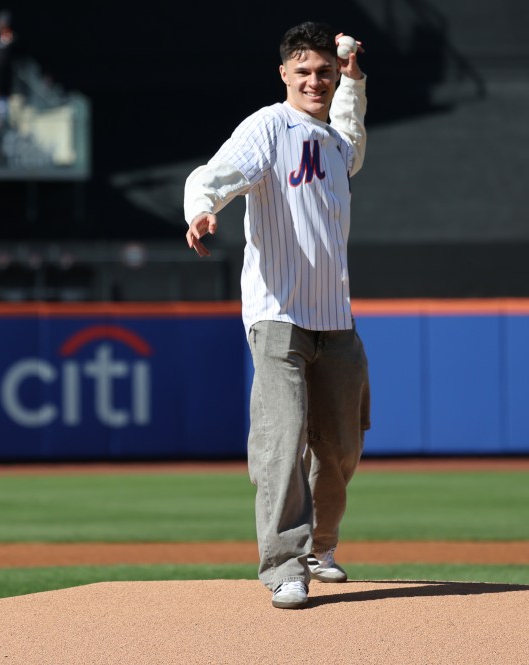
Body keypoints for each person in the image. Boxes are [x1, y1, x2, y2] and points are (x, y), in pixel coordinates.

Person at [183, 21, 370, 610]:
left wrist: (356, 81)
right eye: (303, 71)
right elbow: (209, 175)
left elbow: (349, 134)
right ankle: (282, 564)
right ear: (285, 74)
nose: (314, 79)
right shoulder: (270, 125)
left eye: (324, 71)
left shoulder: (337, 144)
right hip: (278, 312)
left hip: (335, 316)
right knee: (282, 437)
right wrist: (202, 208)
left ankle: (320, 545)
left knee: (341, 445)